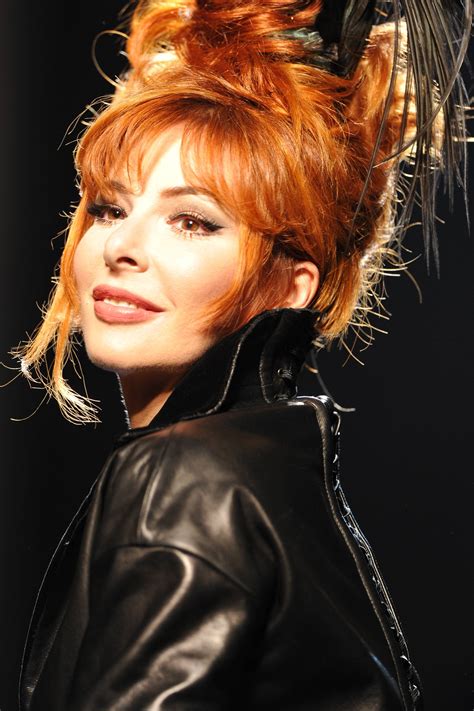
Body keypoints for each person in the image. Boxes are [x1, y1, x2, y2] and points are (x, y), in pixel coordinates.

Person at [11, 0, 470, 709]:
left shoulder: (185, 479)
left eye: (192, 221)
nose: (121, 246)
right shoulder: (276, 471)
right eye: (109, 207)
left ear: (291, 286)